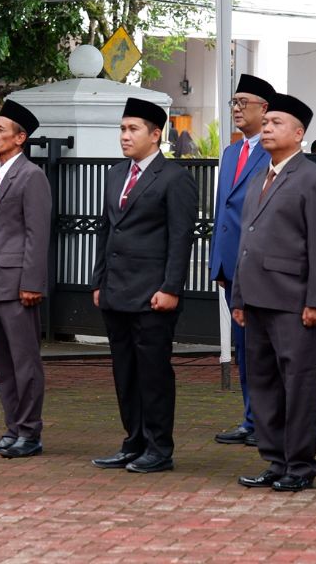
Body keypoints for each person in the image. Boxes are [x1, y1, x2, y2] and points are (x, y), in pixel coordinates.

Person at [231, 93, 316, 492]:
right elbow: (246, 240)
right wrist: (239, 297)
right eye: (266, 122)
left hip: (294, 301)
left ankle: (301, 465)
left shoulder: (314, 178)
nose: (267, 128)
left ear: (298, 133)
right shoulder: (260, 176)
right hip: (256, 299)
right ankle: (275, 460)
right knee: (264, 384)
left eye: (276, 123)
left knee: (299, 385)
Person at [90, 97, 198, 473]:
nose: (125, 135)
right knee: (124, 372)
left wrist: (171, 288)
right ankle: (133, 441)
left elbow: (181, 238)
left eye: (133, 129)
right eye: (122, 128)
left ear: (155, 135)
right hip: (116, 291)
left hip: (153, 294)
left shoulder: (174, 178)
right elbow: (106, 229)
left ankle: (158, 447)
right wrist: (99, 280)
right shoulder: (116, 174)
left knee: (153, 373)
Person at [0, 101, 51, 459]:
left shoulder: (31, 176)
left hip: (19, 284)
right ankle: (12, 429)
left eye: (1, 130)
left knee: (25, 361)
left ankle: (30, 432)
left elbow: (38, 233)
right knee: (3, 364)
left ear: (20, 138)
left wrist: (32, 283)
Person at [209, 74, 276, 448]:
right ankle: (251, 418)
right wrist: (217, 261)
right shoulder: (231, 152)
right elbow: (222, 209)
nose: (236, 109)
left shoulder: (273, 150)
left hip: (260, 267)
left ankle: (267, 420)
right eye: (233, 102)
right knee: (244, 348)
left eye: (242, 102)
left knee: (262, 347)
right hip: (231, 266)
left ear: (264, 109)